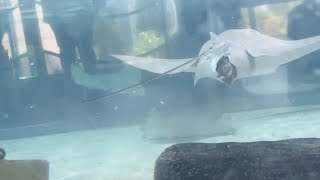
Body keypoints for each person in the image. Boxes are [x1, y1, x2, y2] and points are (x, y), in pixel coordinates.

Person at [41, 0, 104, 96]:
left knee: (70, 53)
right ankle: (91, 89)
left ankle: (75, 89)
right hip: (77, 13)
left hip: (62, 15)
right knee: (83, 52)